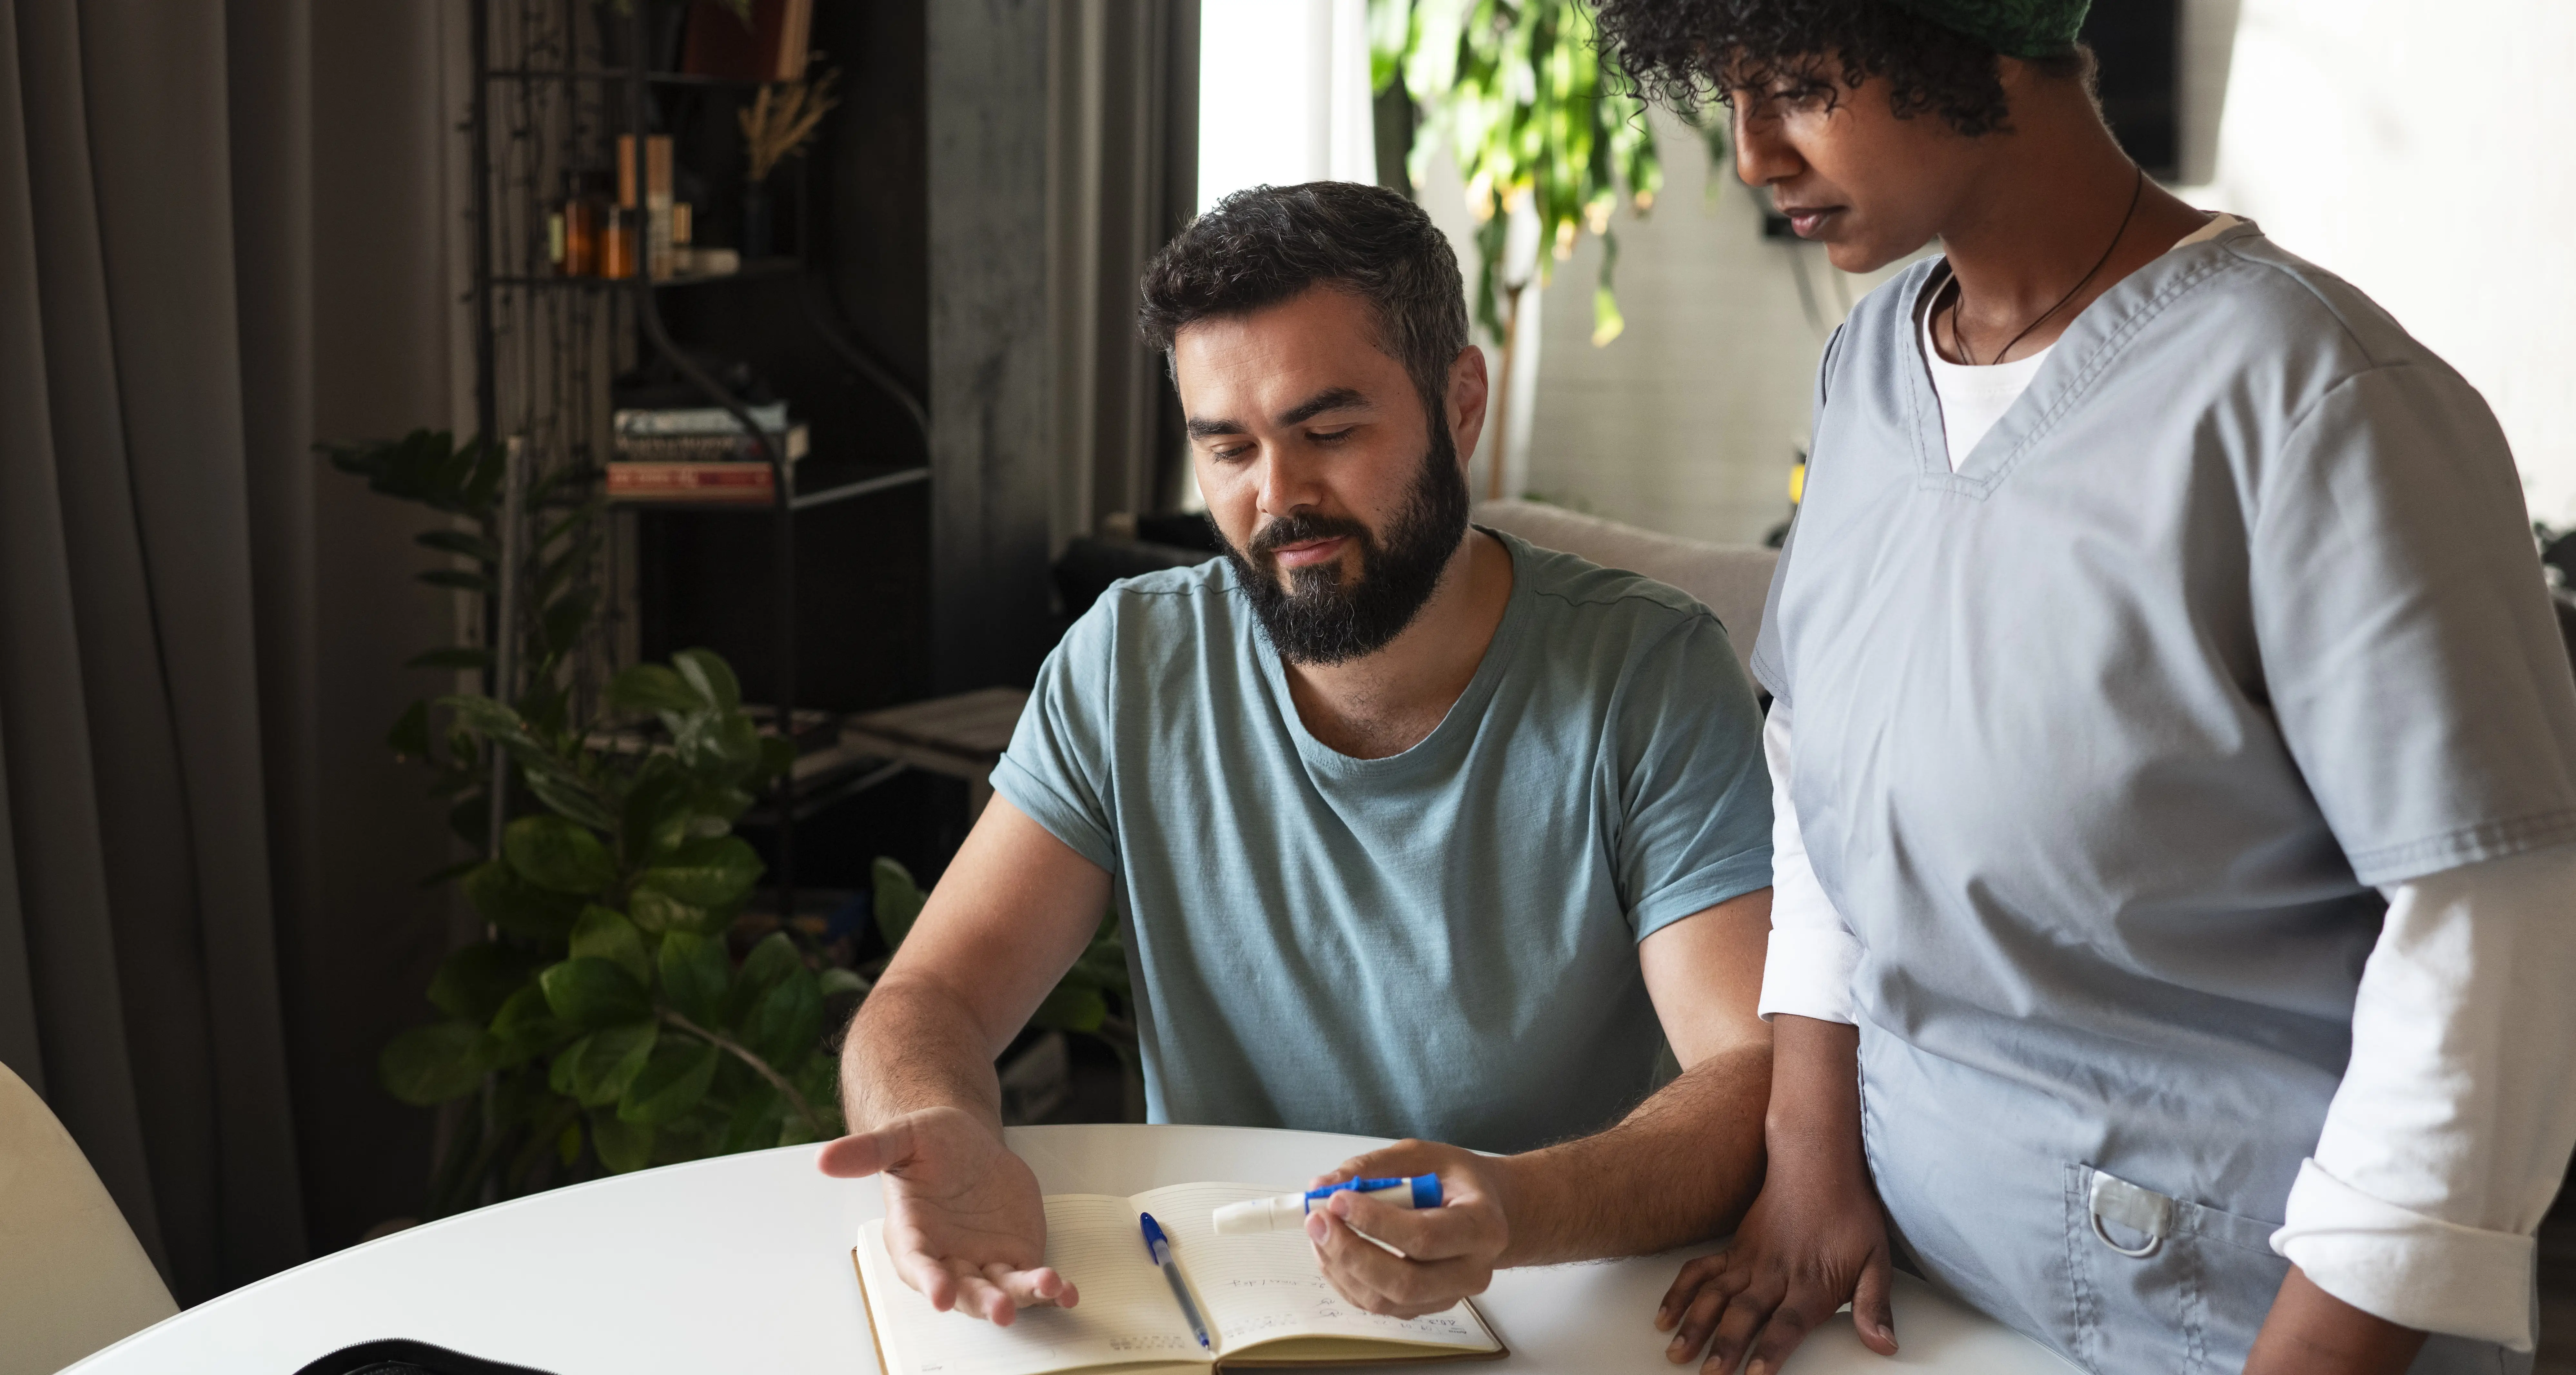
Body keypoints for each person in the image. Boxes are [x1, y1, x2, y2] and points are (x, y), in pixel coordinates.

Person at [1588, 2, 2576, 1374]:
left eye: (1802, 86)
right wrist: (1808, 1163)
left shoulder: (2313, 396)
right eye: (1732, 93)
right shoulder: (1870, 369)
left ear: (1979, 42)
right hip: (1920, 1295)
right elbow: (1815, 769)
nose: (1752, 152)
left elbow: (2490, 933)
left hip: (2237, 1321)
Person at [815, 182, 1782, 1329]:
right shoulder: (1130, 662)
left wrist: (1511, 1208)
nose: (1277, 499)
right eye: (1227, 449)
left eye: (1328, 432)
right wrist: (944, 1124)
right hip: (1215, 1310)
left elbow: (1749, 1080)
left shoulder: (1648, 672)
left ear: (1459, 405)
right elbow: (927, 998)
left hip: (1562, 1310)